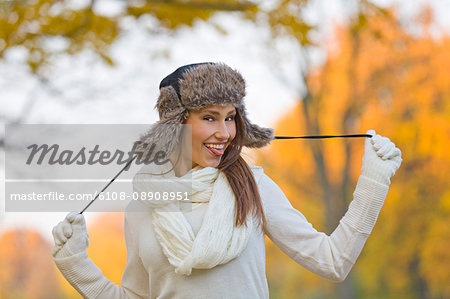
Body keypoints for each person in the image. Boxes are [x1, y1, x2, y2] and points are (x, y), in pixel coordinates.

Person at [52, 62, 402, 298]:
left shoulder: (252, 187)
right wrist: (76, 264)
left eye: (231, 118)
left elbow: (331, 261)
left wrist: (373, 180)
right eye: (209, 117)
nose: (224, 133)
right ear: (176, 122)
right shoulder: (142, 206)